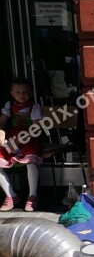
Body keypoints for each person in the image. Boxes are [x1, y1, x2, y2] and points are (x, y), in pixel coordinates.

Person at [0, 78, 43, 212]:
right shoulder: (9, 106)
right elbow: (1, 123)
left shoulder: (34, 107)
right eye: (18, 92)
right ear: (12, 93)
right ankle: (11, 195)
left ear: (30, 93)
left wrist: (19, 141)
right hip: (12, 139)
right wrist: (1, 134)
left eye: (25, 92)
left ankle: (32, 195)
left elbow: (36, 130)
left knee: (30, 161)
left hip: (29, 139)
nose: (21, 95)